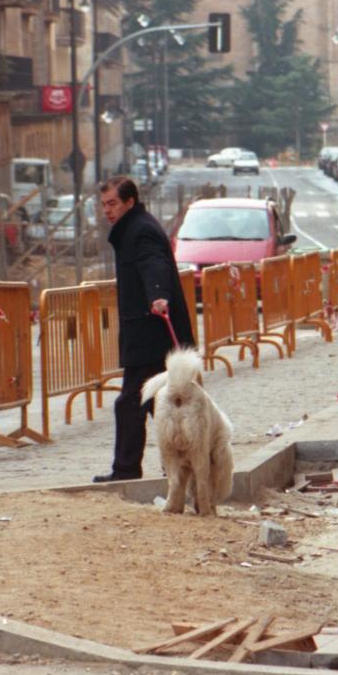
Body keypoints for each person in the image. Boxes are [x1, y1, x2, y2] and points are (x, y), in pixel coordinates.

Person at [93, 177, 196, 482]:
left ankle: (127, 471)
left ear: (130, 201)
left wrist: (158, 293)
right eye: (103, 205)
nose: (107, 211)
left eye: (112, 203)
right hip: (148, 334)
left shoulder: (141, 231)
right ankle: (178, 469)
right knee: (159, 405)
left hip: (152, 336)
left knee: (132, 404)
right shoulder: (134, 227)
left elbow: (155, 264)